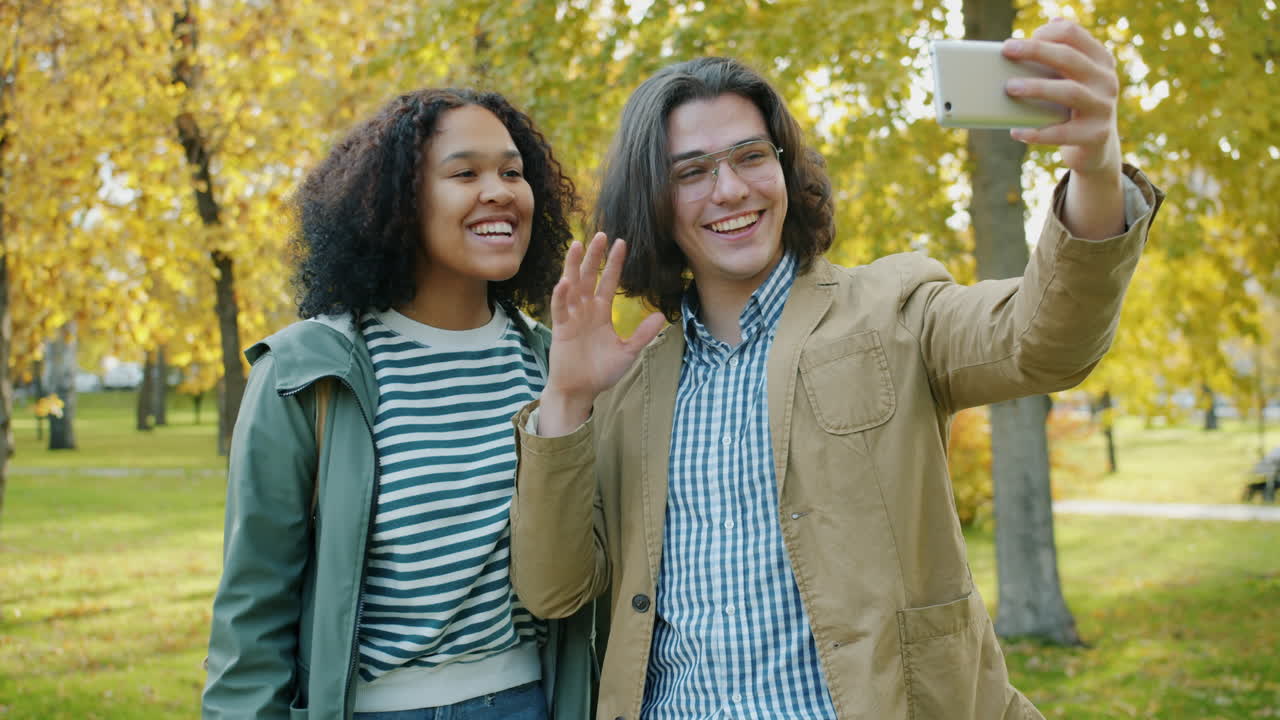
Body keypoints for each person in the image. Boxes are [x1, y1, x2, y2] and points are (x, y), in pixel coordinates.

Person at [508, 19, 1162, 720]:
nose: (729, 190)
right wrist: (568, 398)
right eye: (691, 172)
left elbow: (1047, 340)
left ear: (785, 168)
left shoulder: (894, 309)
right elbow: (553, 589)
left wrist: (1094, 165)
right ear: (655, 202)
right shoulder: (627, 384)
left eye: (751, 157)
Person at [202, 88, 598, 720]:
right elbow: (253, 608)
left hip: (531, 703)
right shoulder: (308, 373)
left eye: (513, 172)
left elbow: (581, 579)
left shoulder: (557, 367)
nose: (498, 190)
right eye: (464, 172)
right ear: (396, 202)